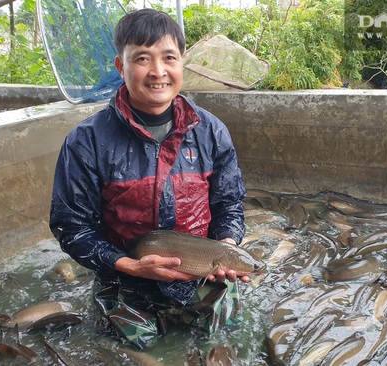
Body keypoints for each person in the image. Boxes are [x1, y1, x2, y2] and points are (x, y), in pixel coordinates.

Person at [49, 9, 248, 349]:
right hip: (124, 276)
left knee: (222, 347)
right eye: (142, 58)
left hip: (201, 272)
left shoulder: (211, 131)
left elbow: (229, 203)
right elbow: (71, 226)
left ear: (181, 62)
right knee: (126, 352)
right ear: (120, 66)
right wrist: (128, 264)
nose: (158, 72)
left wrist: (227, 246)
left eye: (169, 58)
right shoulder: (86, 141)